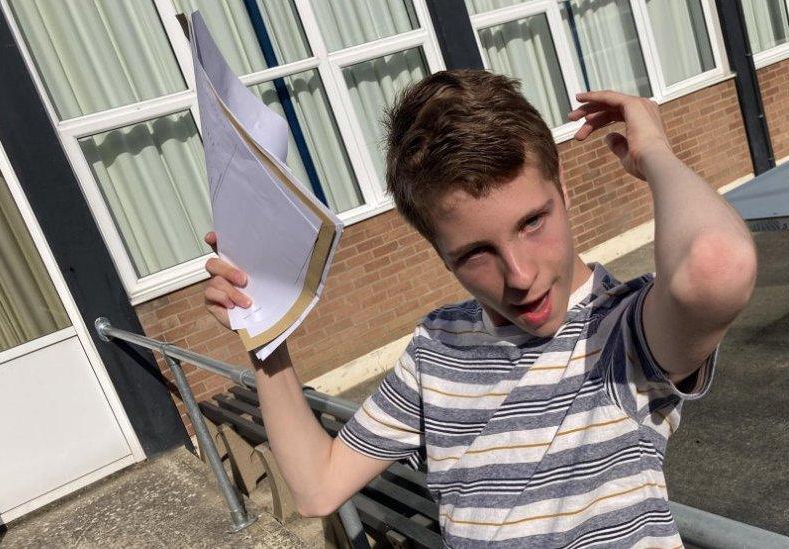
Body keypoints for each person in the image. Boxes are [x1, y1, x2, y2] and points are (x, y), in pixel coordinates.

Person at [202, 70, 757, 547]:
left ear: (562, 187)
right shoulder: (436, 348)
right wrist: (265, 329)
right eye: (475, 253)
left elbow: (715, 265)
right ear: (439, 253)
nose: (520, 276)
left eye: (532, 221)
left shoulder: (623, 331)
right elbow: (316, 488)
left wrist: (654, 152)